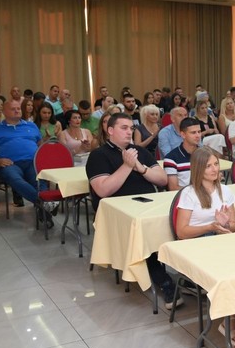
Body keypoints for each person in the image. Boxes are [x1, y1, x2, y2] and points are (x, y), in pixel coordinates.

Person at [86, 114, 180, 308]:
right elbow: (103, 190)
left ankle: (188, 274)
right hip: (118, 213)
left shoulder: (140, 151)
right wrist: (127, 166)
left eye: (131, 128)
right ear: (110, 130)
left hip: (148, 204)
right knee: (143, 232)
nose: (129, 132)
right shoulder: (98, 155)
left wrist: (141, 168)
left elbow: (162, 179)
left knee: (183, 221)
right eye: (124, 128)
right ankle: (165, 282)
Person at [0, 99, 52, 226]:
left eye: (18, 108)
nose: (17, 111)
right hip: (9, 163)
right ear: (4, 112)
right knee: (15, 179)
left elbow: (40, 145)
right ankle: (44, 203)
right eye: (13, 109)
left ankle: (44, 210)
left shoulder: (31, 126)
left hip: (32, 162)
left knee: (40, 181)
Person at [164, 118, 202, 190]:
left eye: (199, 132)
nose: (198, 135)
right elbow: (173, 188)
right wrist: (198, 191)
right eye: (193, 132)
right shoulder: (171, 158)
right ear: (183, 134)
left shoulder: (206, 154)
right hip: (184, 195)